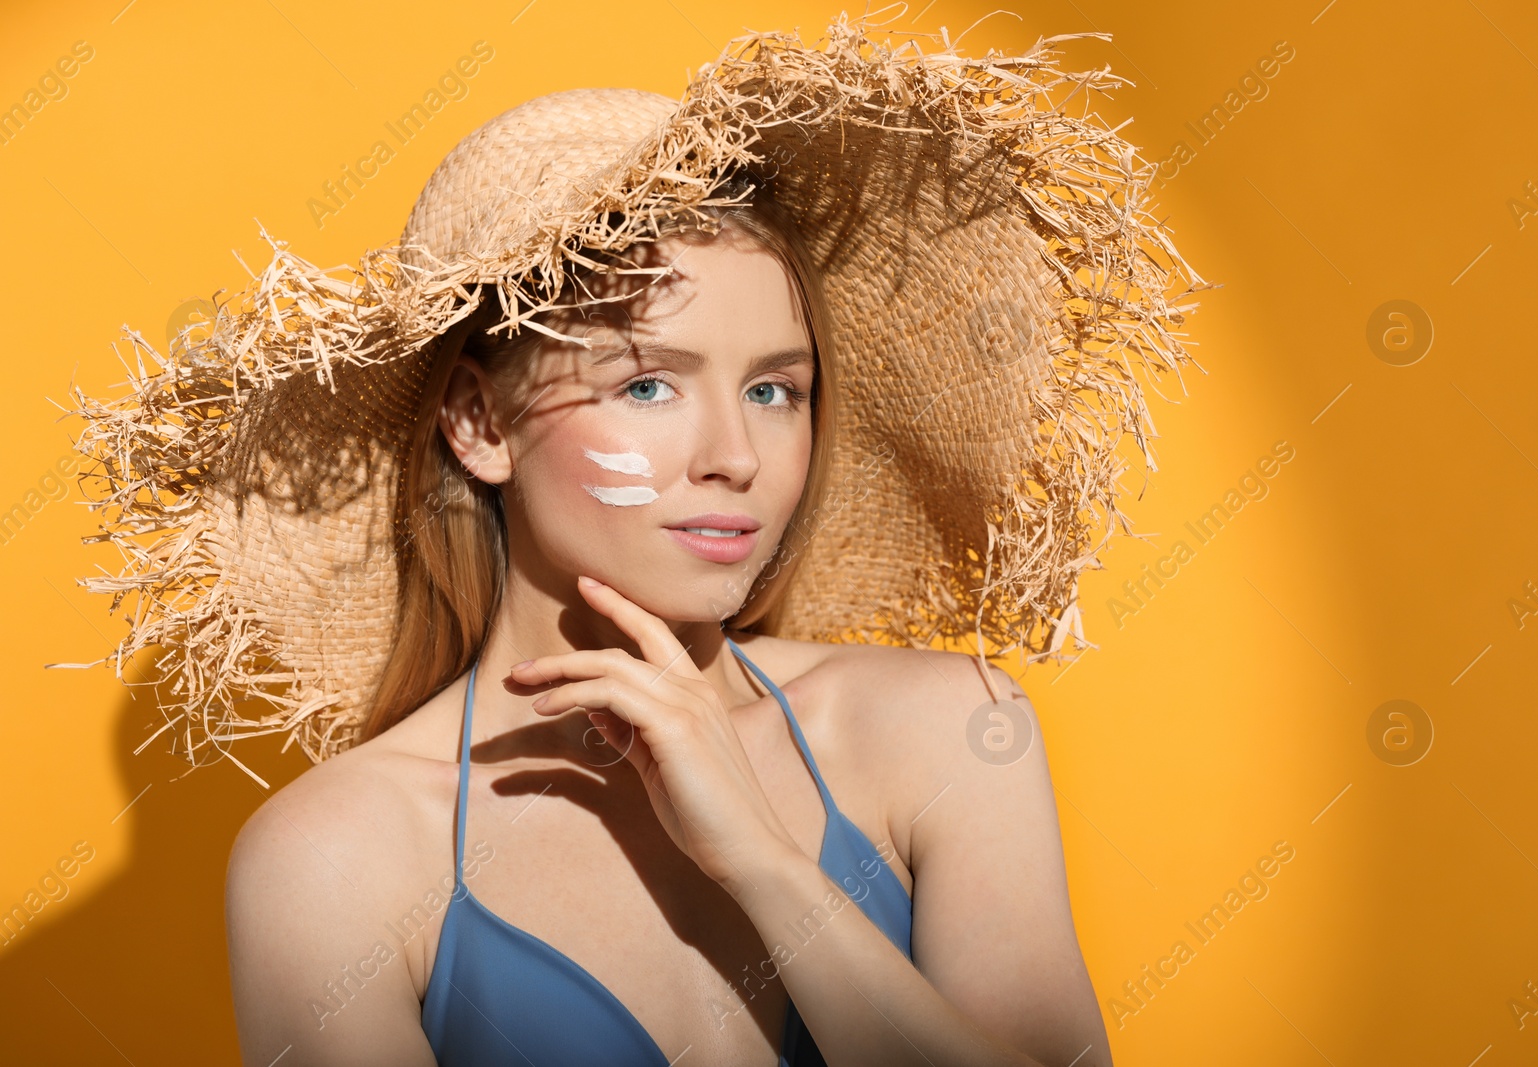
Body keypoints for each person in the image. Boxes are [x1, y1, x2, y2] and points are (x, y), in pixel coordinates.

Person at [66, 14, 1206, 1067]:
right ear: (478, 421)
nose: (737, 455)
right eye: (650, 383)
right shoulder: (339, 856)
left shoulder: (949, 730)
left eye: (775, 389)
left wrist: (763, 864)